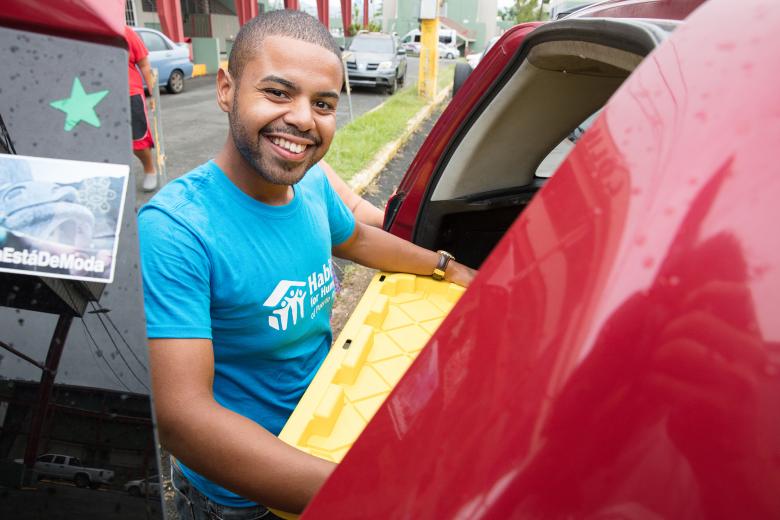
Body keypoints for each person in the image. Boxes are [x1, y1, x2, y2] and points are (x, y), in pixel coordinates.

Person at [138, 10, 475, 519]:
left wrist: (445, 269)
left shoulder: (311, 184)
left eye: (323, 104)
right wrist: (367, 491)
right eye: (277, 92)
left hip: (323, 438)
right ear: (226, 89)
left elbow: (358, 238)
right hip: (239, 500)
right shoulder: (176, 229)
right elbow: (185, 418)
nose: (302, 118)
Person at [124, 25, 158, 192]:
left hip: (131, 93)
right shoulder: (88, 30)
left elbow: (144, 65)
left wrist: (153, 95)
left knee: (138, 138)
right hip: (98, 94)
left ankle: (150, 169)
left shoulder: (126, 32)